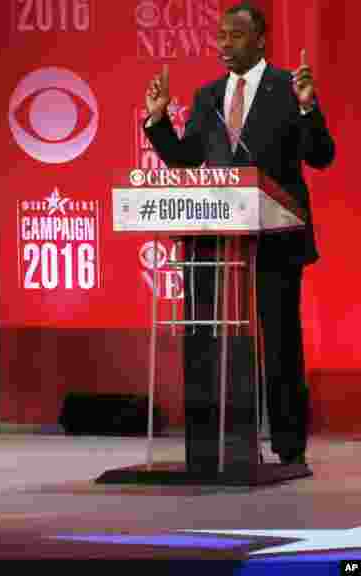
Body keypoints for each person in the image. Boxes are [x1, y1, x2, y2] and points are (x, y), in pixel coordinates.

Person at [143, 2, 335, 466]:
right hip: (218, 239)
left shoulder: (289, 88)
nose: (224, 45)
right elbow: (188, 159)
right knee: (215, 335)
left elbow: (321, 156)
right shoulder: (208, 96)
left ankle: (289, 447)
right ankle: (218, 440)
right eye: (221, 37)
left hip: (277, 236)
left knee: (281, 340)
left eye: (235, 36)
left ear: (260, 40)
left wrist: (309, 107)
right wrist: (158, 121)